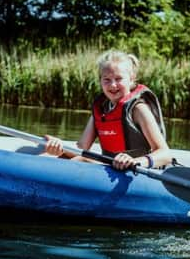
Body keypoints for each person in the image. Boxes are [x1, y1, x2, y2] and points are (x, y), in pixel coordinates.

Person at [43, 50, 172, 170]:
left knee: (81, 160)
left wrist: (136, 162)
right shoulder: (101, 109)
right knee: (59, 157)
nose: (113, 85)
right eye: (107, 80)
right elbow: (81, 147)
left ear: (131, 78)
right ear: (100, 81)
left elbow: (165, 154)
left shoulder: (138, 109)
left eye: (118, 79)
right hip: (111, 168)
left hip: (137, 171)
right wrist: (59, 147)